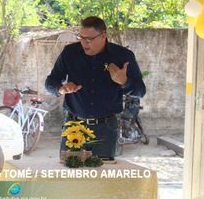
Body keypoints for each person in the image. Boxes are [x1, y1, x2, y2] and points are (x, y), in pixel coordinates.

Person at [45, 16, 146, 158]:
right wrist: (60, 89)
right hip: (74, 126)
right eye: (81, 37)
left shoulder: (122, 56)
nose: (84, 42)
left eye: (89, 39)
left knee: (100, 176)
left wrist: (124, 81)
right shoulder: (70, 53)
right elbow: (50, 81)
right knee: (69, 176)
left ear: (103, 36)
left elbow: (140, 91)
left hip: (106, 128)